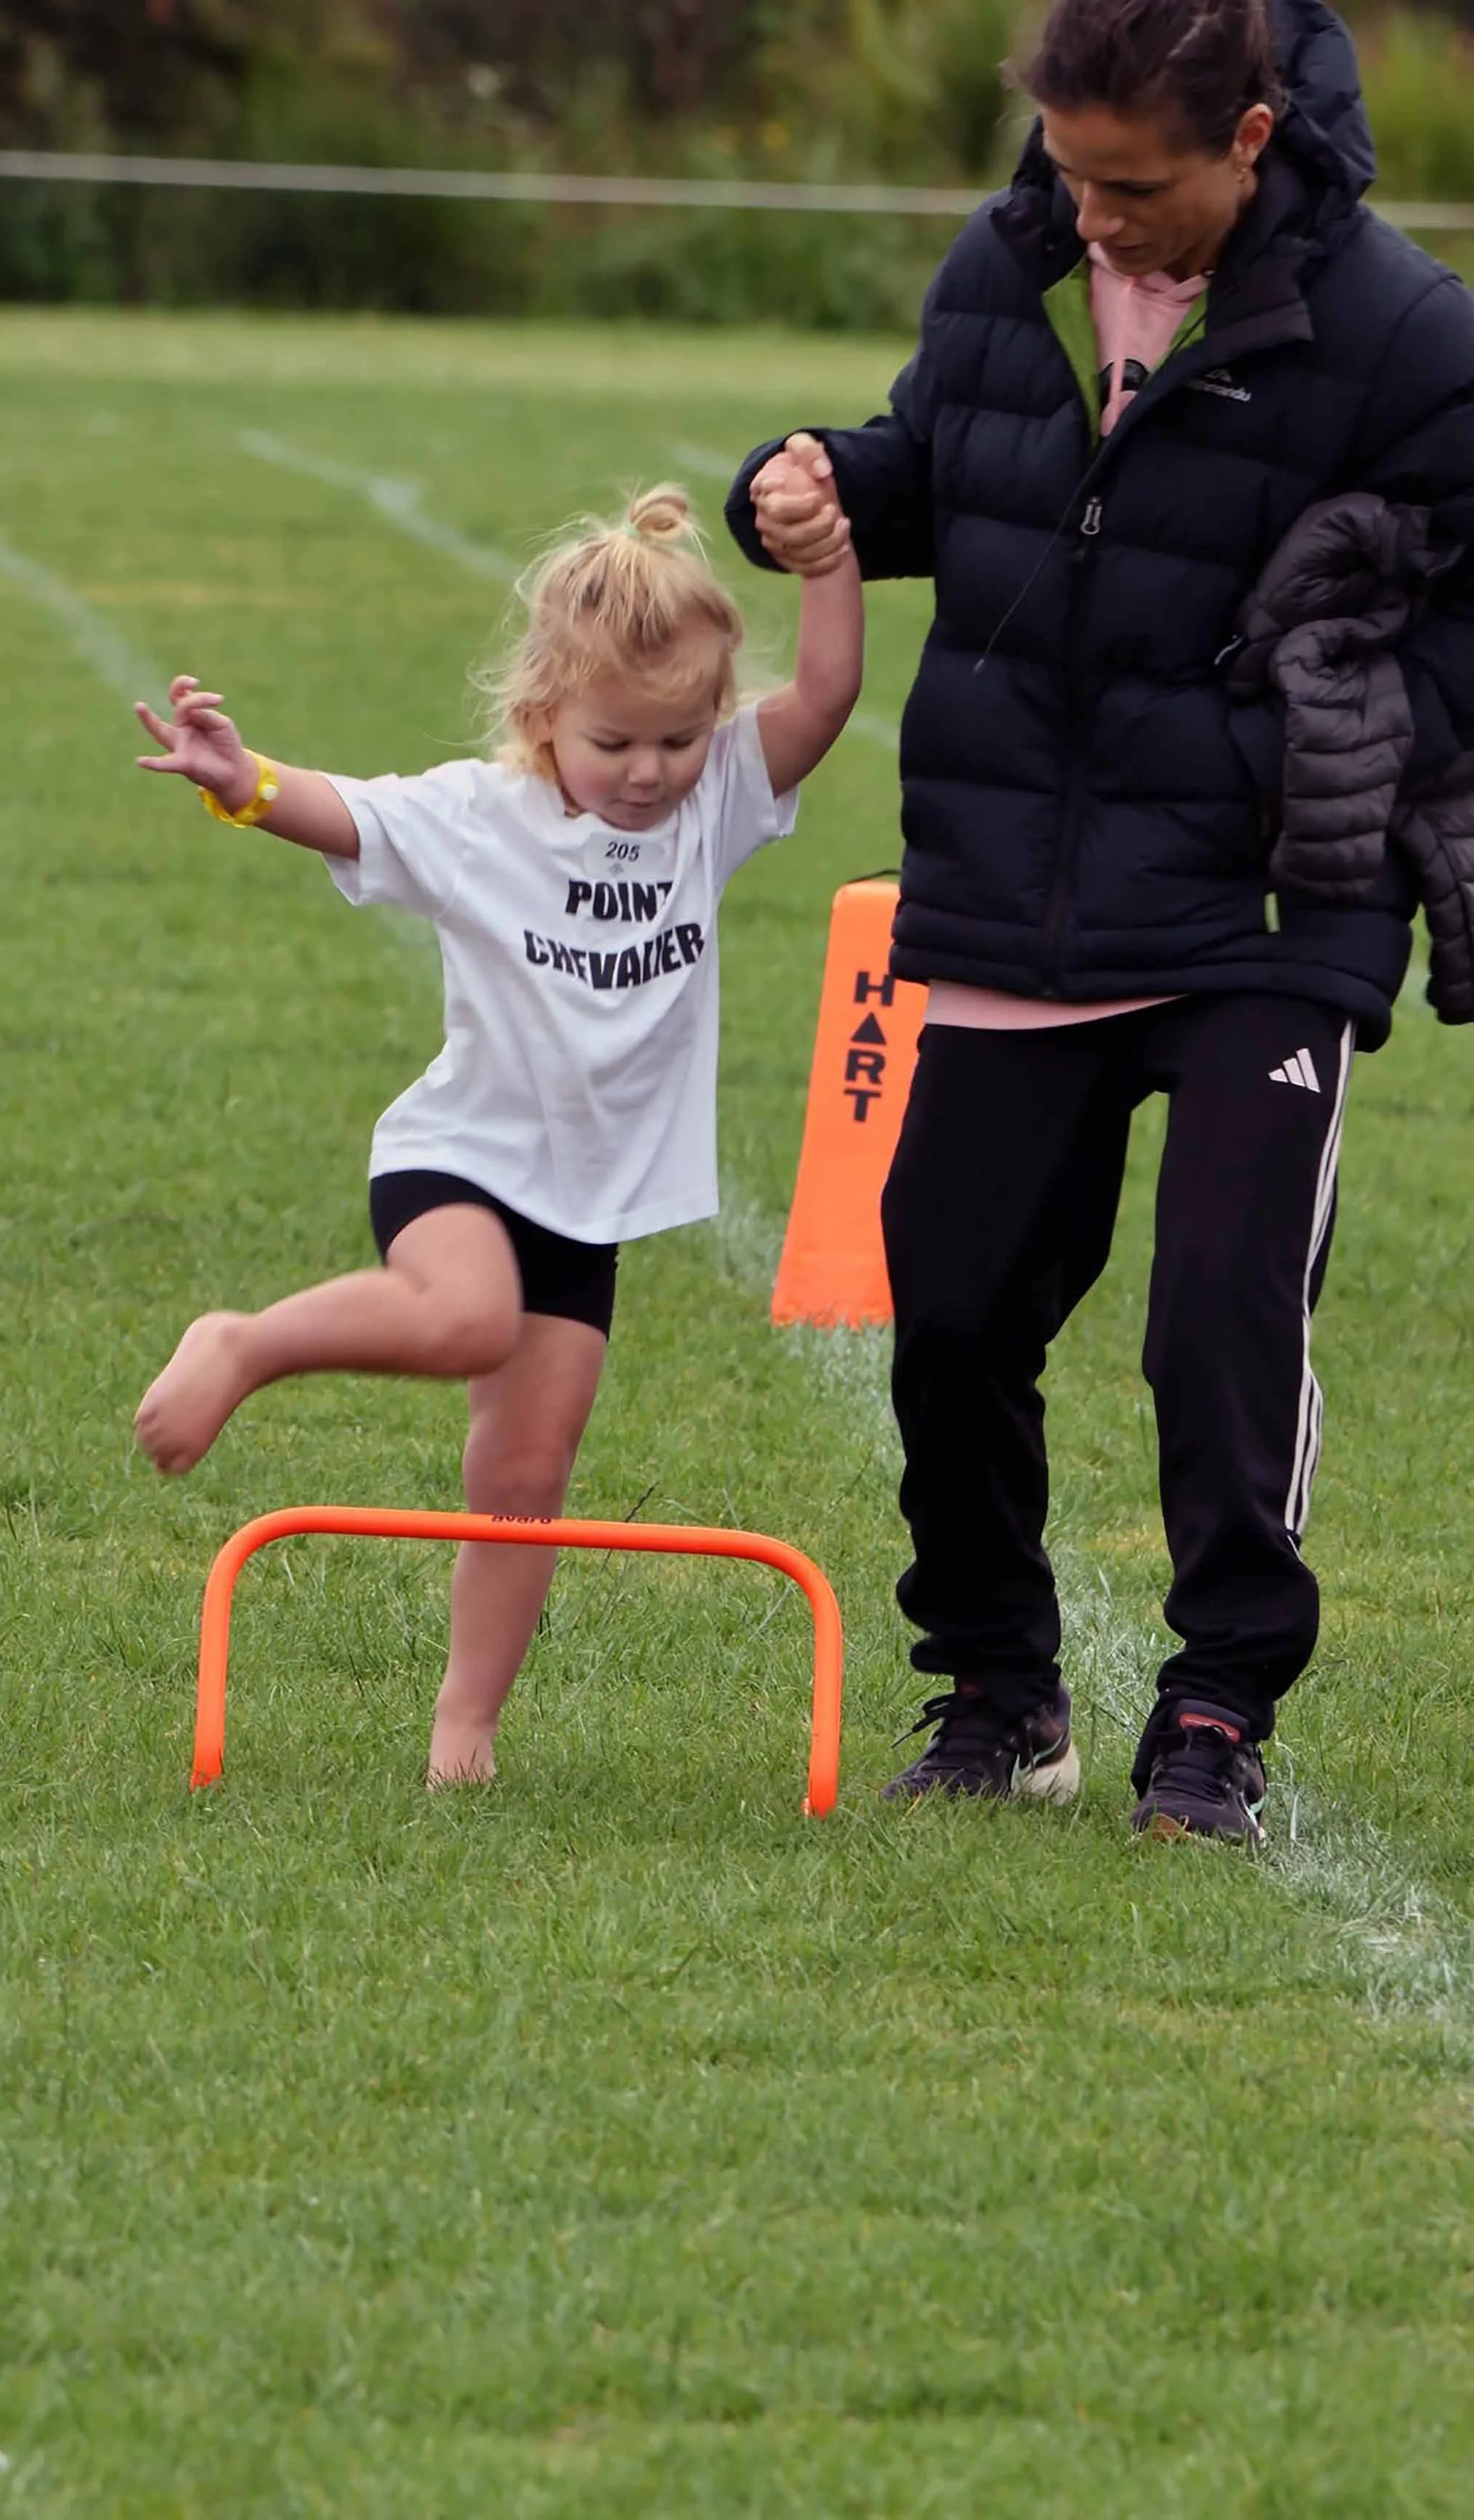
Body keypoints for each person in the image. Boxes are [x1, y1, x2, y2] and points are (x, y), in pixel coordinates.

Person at [728, 0, 1474, 1843]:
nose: (1094, 221)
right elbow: (946, 469)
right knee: (953, 1318)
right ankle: (997, 1689)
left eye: (1130, 186)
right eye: (1066, 176)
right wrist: (814, 482)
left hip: (1263, 898)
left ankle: (1215, 1709)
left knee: (1217, 1320)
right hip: (1011, 880)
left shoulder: (1405, 331)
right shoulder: (1011, 260)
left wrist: (1295, 746)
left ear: (1246, 137)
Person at [131, 485, 863, 1784]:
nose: (651, 772)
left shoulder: (713, 808)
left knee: (529, 1465)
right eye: (617, 742)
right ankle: (242, 1343)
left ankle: (463, 1732)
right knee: (466, 1319)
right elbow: (345, 809)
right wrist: (241, 779)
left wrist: (829, 561)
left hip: (589, 1203)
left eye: (681, 741)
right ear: (542, 722)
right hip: (460, 1161)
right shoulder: (481, 818)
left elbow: (822, 699)